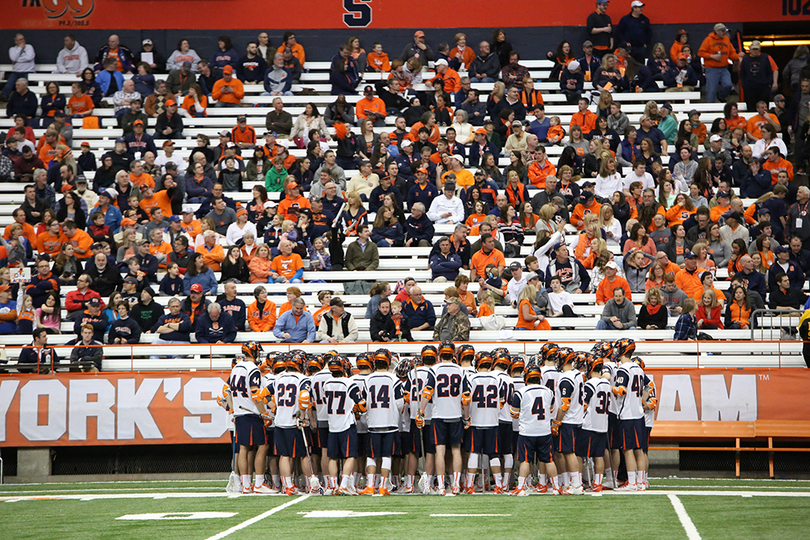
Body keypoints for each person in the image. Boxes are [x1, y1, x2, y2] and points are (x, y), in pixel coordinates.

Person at [698, 23, 740, 103]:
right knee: (711, 90)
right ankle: (710, 112)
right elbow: (700, 53)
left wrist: (739, 58)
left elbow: (732, 54)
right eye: (723, 31)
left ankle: (721, 96)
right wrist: (712, 56)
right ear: (717, 31)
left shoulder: (726, 40)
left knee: (728, 85)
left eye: (725, 31)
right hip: (711, 69)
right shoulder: (708, 40)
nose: (725, 33)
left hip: (724, 68)